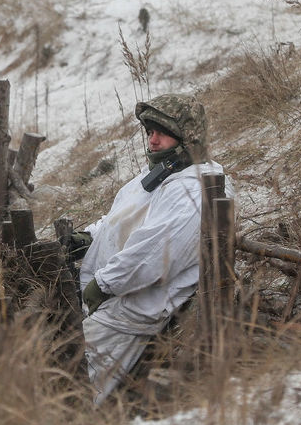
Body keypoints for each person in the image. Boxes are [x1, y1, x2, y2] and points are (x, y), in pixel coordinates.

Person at [75, 93, 234, 405]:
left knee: (76, 386)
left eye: (162, 132)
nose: (153, 140)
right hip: (105, 297)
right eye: (149, 131)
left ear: (187, 138)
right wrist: (89, 237)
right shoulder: (158, 177)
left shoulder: (198, 189)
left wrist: (103, 286)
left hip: (129, 311)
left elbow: (153, 256)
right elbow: (123, 219)